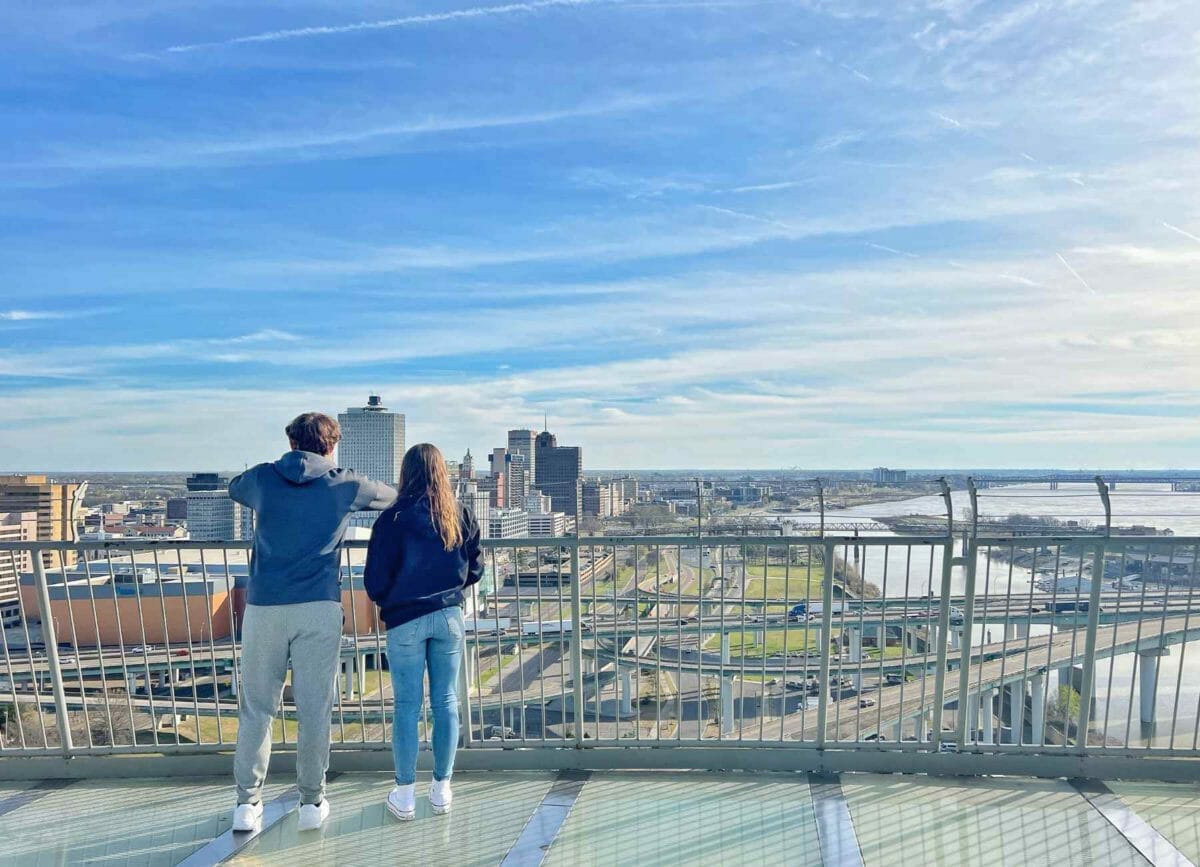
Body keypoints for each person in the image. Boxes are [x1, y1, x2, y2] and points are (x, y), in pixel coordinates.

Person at [228, 412, 397, 832]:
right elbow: (393, 497)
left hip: (264, 606)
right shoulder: (344, 483)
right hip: (318, 606)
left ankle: (247, 805)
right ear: (331, 445)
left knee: (257, 708)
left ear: (290, 443)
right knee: (315, 709)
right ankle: (310, 802)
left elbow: (235, 488)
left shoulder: (264, 479)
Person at [364, 443, 483, 820]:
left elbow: (374, 581)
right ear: (441, 473)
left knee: (407, 706)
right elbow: (476, 567)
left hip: (406, 620)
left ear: (406, 473)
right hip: (448, 615)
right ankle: (442, 788)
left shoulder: (391, 519)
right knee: (446, 701)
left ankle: (404, 793)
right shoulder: (458, 514)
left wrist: (393, 599)